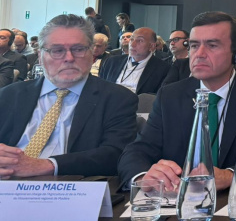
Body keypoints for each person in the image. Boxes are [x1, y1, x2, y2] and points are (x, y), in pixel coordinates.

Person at [117, 11, 236, 190]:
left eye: (212, 45)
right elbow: (137, 151)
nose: (199, 54)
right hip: (178, 198)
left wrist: (232, 176)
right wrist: (143, 177)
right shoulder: (169, 96)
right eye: (194, 45)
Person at [0, 14, 138, 178]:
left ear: (91, 54)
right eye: (57, 50)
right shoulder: (9, 95)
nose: (69, 58)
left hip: (71, 185)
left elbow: (115, 154)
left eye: (78, 49)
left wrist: (48, 165)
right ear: (40, 56)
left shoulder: (117, 99)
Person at [99, 27, 170, 95]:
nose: (132, 45)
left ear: (151, 46)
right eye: (132, 39)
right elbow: (101, 87)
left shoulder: (163, 69)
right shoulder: (112, 62)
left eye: (140, 41)